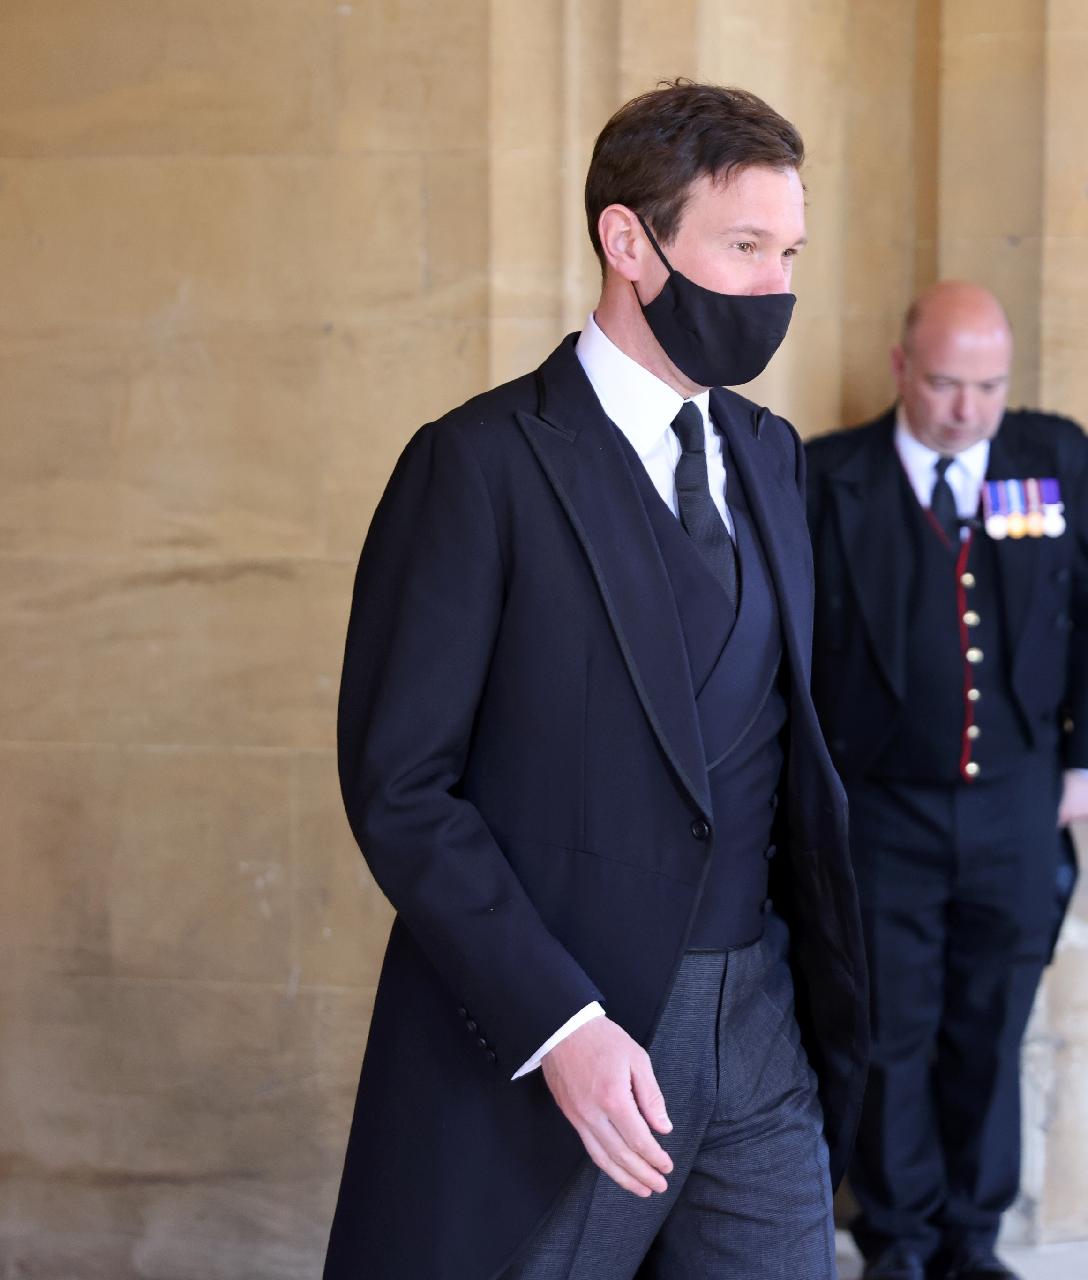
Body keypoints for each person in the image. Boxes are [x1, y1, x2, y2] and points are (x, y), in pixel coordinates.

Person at [322, 81, 867, 1280]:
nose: (775, 286)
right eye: (743, 247)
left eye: (790, 253)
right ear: (631, 241)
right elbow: (401, 787)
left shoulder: (772, 457)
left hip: (761, 1023)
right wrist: (558, 1026)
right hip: (566, 1039)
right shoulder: (474, 465)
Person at [804, 281, 1088, 1280]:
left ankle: (971, 1239)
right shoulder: (831, 476)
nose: (966, 409)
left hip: (1017, 804)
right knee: (887, 1027)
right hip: (883, 810)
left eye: (988, 386)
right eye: (947, 383)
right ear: (904, 368)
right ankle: (897, 1240)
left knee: (992, 1023)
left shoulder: (1053, 459)